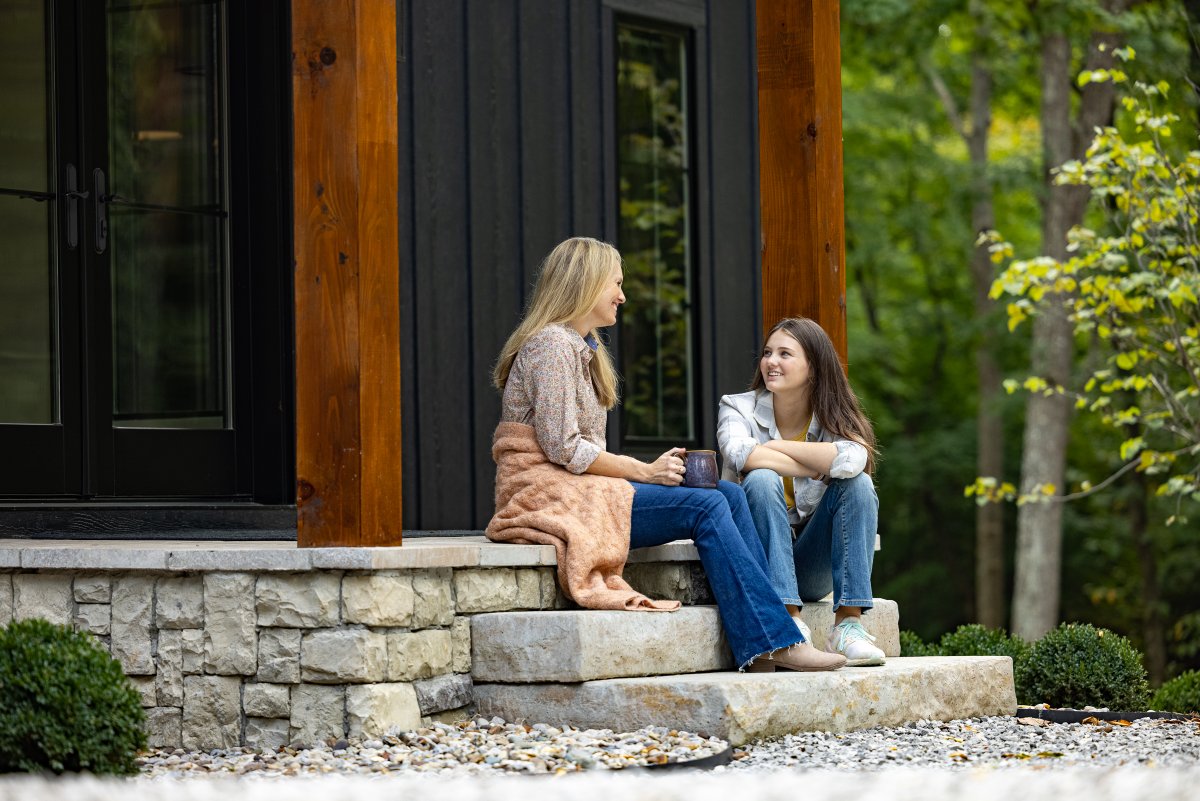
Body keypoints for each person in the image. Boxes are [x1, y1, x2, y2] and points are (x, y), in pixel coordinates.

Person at [488, 237, 844, 672]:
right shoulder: (552, 347)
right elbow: (565, 448)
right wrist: (644, 470)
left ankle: (772, 633)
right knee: (709, 505)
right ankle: (772, 641)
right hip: (548, 496)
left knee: (727, 495)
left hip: (580, 491)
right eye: (615, 284)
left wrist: (644, 472)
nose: (622, 296)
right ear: (585, 285)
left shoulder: (582, 350)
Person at [717, 317, 886, 666]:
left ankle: (848, 626)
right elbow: (740, 453)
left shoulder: (833, 416)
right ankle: (788, 621)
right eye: (767, 353)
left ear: (813, 367)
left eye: (785, 354)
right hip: (758, 560)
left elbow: (854, 460)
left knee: (859, 484)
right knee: (761, 478)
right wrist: (816, 464)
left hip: (809, 564)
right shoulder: (737, 407)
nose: (771, 362)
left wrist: (775, 449)